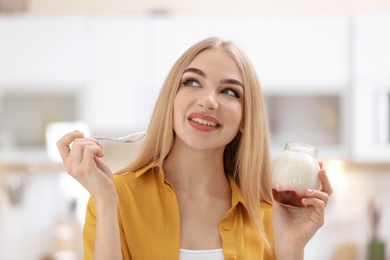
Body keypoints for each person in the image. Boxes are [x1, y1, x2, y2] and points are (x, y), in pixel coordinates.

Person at [57, 37, 332, 260]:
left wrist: (290, 246)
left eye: (229, 92)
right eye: (192, 82)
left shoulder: (269, 216)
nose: (208, 101)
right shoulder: (114, 198)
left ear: (246, 119)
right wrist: (106, 203)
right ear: (172, 100)